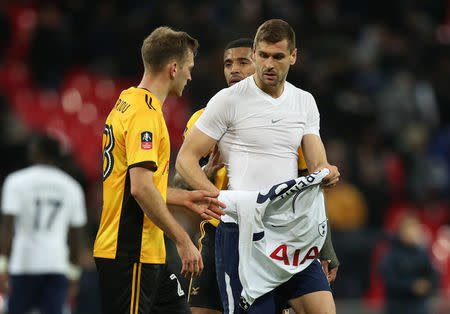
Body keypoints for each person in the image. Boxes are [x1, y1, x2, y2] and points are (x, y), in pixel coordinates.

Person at [176, 19, 339, 313]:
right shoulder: (227, 101)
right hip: (242, 233)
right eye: (263, 55)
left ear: (293, 56)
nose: (269, 64)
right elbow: (184, 160)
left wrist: (327, 172)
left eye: (277, 56)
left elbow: (316, 162)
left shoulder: (304, 102)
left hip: (291, 234)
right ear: (254, 54)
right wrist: (218, 198)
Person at [93, 26, 225, 314]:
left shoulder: (127, 100)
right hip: (129, 253)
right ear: (174, 67)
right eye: (189, 67)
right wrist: (182, 239)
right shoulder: (145, 115)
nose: (190, 75)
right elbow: (140, 188)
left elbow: (138, 185)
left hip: (147, 253)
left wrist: (183, 197)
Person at [0, 134, 87, 314]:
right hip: (56, 265)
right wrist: (74, 273)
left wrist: (2, 265)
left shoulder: (16, 181)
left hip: (23, 264)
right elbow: (76, 236)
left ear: (37, 152)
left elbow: (7, 227)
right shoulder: (72, 187)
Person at [381, 214, 438, 314]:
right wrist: (411, 286)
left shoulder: (423, 253)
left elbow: (433, 275)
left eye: (416, 229)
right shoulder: (392, 254)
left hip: (419, 307)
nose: (413, 232)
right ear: (401, 231)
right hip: (397, 307)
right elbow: (389, 280)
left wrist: (427, 285)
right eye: (410, 229)